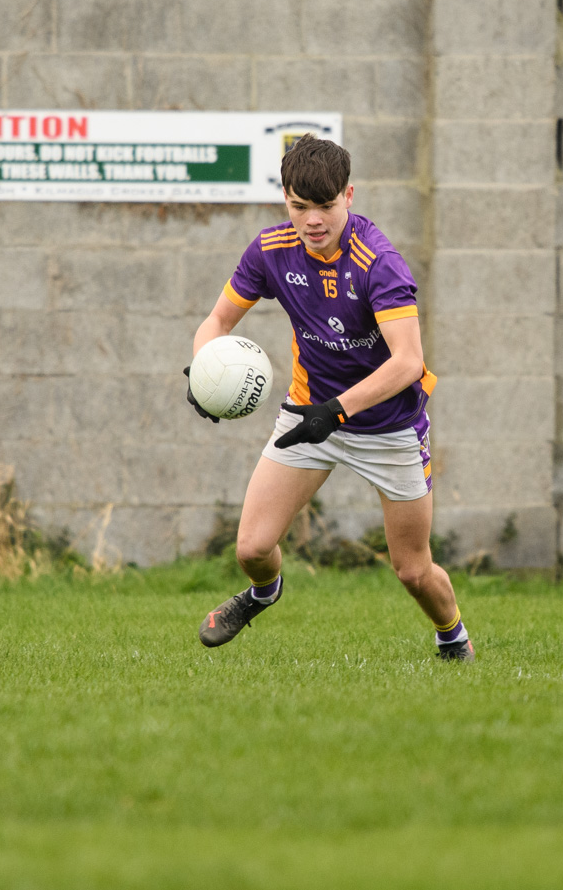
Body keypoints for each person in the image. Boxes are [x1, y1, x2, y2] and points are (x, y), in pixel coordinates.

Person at [186, 134, 473, 660]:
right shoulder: (271, 251)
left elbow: (408, 361)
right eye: (300, 206)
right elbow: (219, 320)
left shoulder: (378, 262)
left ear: (349, 196)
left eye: (326, 205)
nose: (313, 219)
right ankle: (263, 593)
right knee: (251, 548)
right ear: (285, 200)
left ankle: (452, 634)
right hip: (308, 415)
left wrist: (339, 410)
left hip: (388, 428)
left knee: (412, 569)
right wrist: (203, 370)